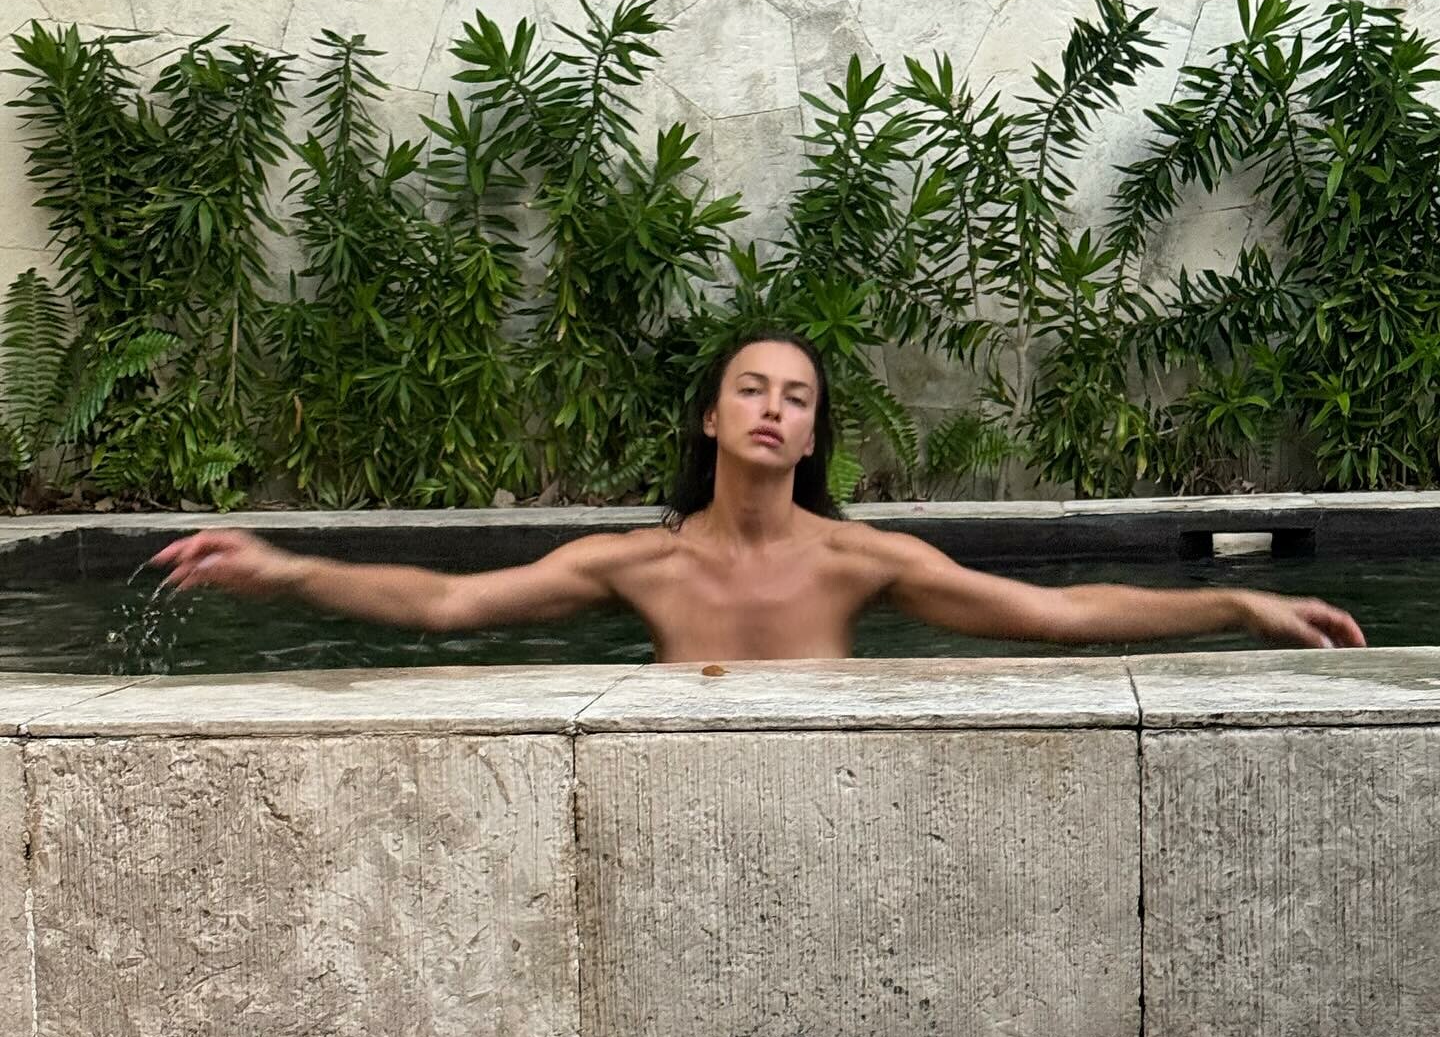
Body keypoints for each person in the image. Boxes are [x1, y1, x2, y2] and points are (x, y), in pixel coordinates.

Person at [148, 328, 1367, 660]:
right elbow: (449, 605)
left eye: (798, 396)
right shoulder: (639, 561)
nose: (774, 407)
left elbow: (1054, 614)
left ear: (813, 432)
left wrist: (1235, 604)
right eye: (751, 388)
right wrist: (287, 568)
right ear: (712, 417)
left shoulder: (857, 560)